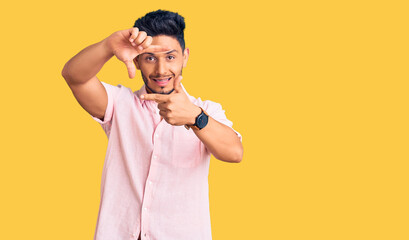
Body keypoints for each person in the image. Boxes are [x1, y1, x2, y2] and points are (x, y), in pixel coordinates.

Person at [61, 9, 243, 240]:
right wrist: (108, 45)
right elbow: (73, 75)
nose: (160, 70)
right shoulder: (119, 104)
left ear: (185, 56)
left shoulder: (207, 110)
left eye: (170, 57)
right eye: (150, 58)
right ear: (137, 61)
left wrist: (196, 118)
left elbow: (234, 152)